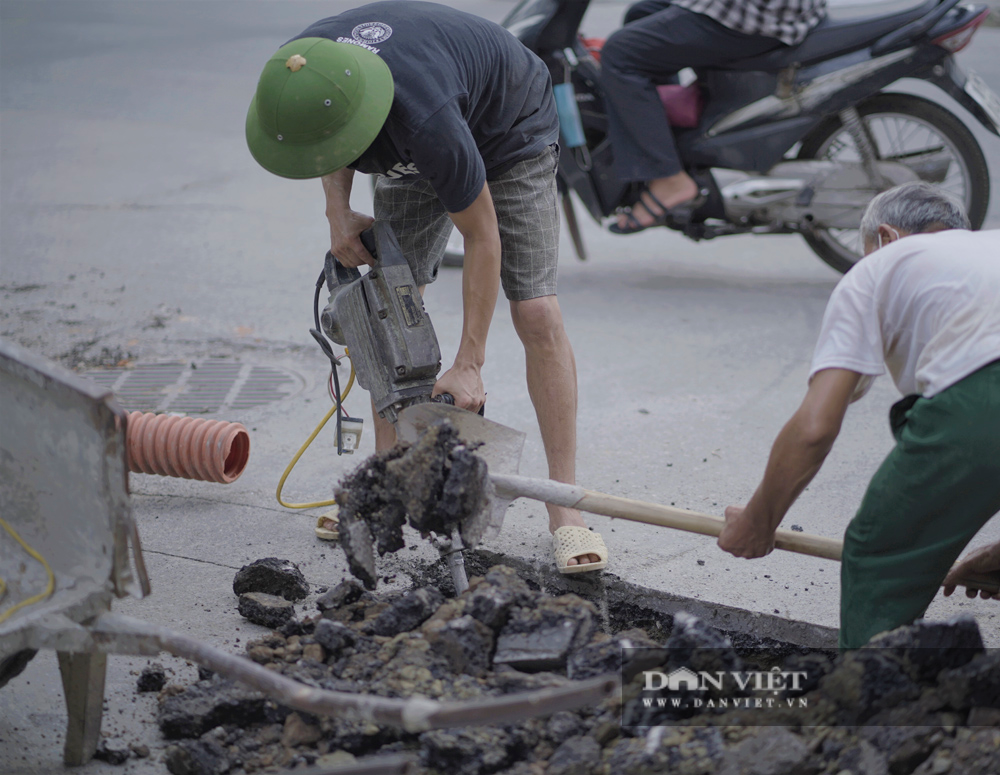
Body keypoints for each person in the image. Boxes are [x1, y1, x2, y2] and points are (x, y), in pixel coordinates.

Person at [245, 1, 608, 573]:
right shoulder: (307, 67)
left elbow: (483, 238)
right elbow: (325, 139)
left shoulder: (426, 118)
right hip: (411, 133)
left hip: (506, 129)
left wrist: (469, 362)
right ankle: (382, 487)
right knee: (384, 305)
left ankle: (566, 506)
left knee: (536, 311)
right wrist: (336, 212)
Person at [717, 182, 1000, 649]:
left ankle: (877, 709)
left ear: (885, 238)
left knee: (881, 554)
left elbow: (814, 428)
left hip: (979, 402)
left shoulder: (880, 267)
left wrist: (758, 520)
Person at [600, 0, 827, 233]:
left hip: (759, 17)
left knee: (620, 53)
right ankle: (667, 145)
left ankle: (669, 177)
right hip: (781, 10)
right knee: (640, 13)